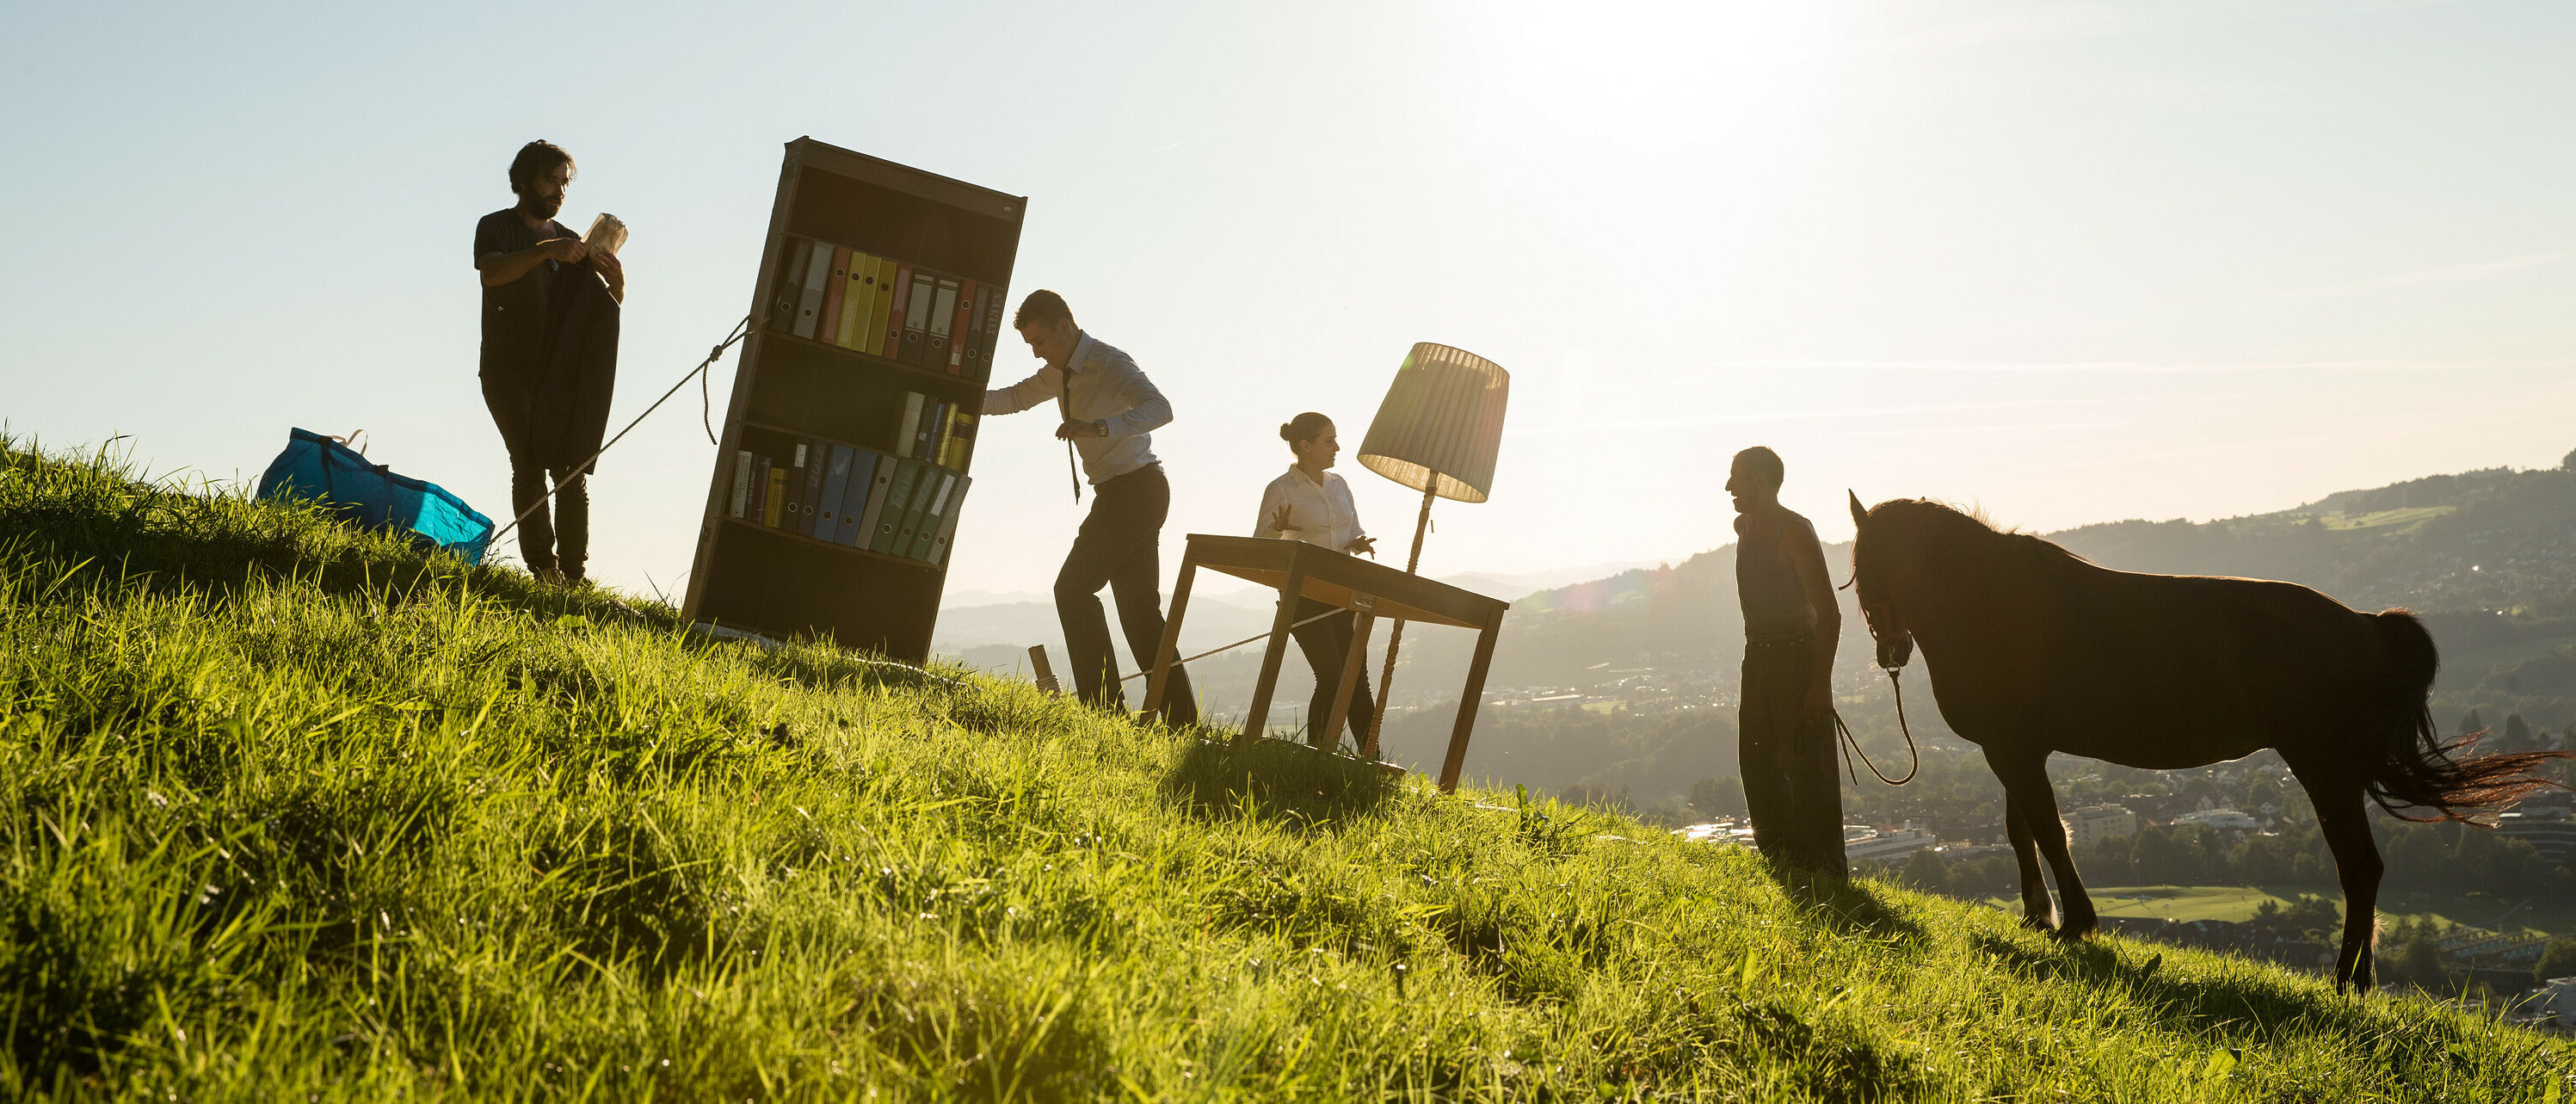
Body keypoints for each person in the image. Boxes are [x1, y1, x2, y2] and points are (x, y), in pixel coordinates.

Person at [982, 291, 1198, 725]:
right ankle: (1181, 724)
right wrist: (957, 394)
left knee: (1073, 589)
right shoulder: (1056, 374)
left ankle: (1104, 712)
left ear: (1065, 325)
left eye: (1040, 341)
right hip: (1120, 495)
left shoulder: (1108, 363)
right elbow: (1011, 399)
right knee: (1138, 614)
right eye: (1031, 346)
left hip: (1138, 490)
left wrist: (1100, 427)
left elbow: (1162, 408)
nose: (1037, 353)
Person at [474, 139, 624, 584]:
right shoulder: (496, 227)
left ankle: (574, 578)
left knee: (571, 469)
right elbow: (492, 273)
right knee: (528, 463)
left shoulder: (573, 241)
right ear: (524, 181)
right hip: (506, 370)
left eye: (564, 183)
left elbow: (593, 311)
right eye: (549, 180)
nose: (558, 191)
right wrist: (547, 252)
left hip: (556, 375)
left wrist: (617, 286)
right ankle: (544, 570)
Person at [1727, 445, 1846, 878]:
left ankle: (1825, 873)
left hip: (1796, 662)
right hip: (1756, 659)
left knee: (1808, 769)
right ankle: (1782, 864)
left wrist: (1819, 685)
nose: (1728, 487)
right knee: (1756, 763)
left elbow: (1829, 613)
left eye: (1736, 478)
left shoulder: (1795, 533)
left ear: (1760, 479)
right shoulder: (1744, 527)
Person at [1255, 412, 1380, 749]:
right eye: (1329, 440)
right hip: (1304, 597)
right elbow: (1259, 548)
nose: (1337, 447)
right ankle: (1317, 755)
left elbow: (1352, 529)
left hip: (1344, 594)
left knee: (1356, 680)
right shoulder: (1280, 489)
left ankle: (1372, 760)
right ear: (1305, 446)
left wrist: (1357, 541)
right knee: (1331, 678)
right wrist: (1278, 529)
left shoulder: (1340, 485)